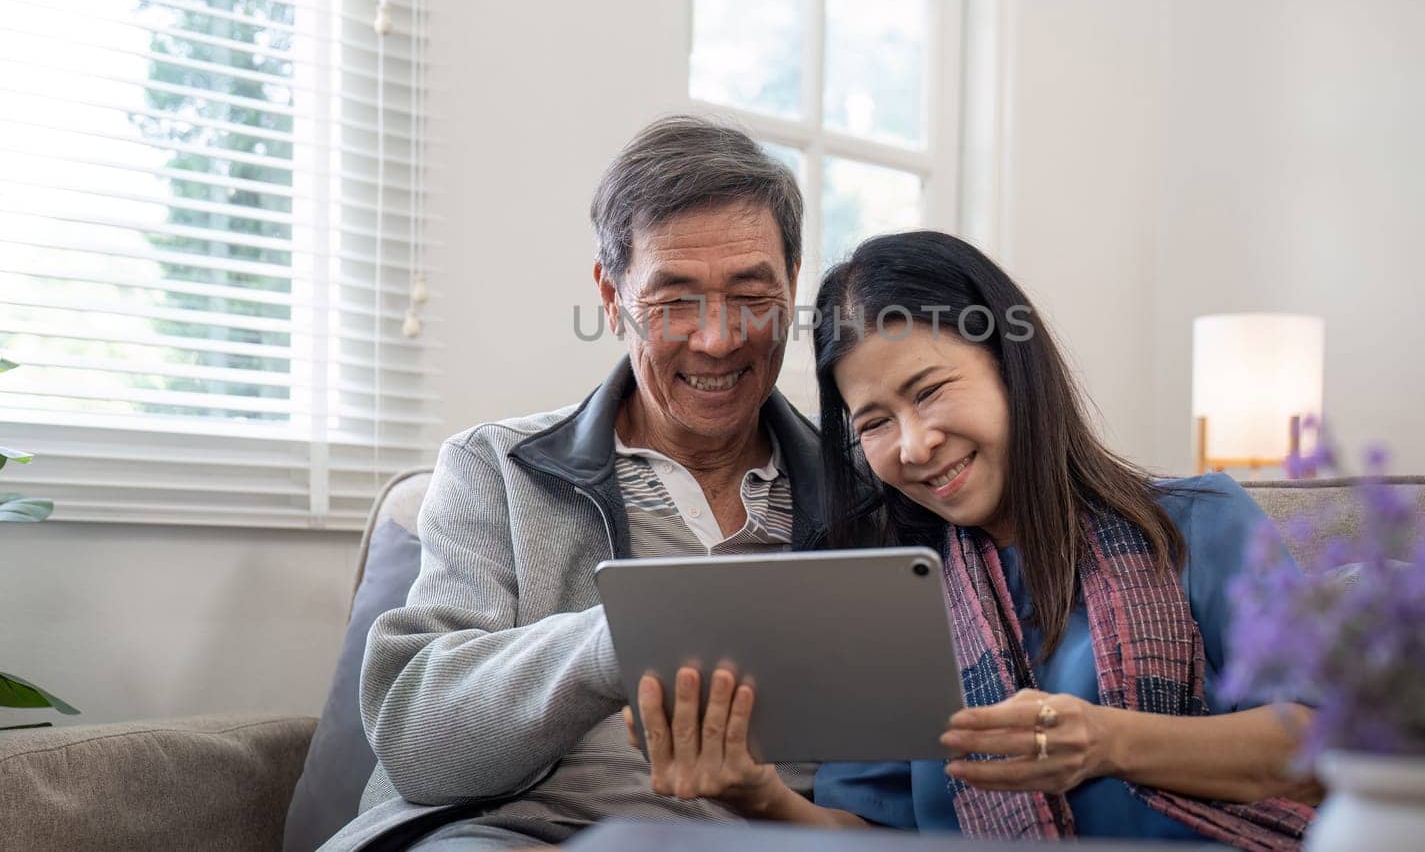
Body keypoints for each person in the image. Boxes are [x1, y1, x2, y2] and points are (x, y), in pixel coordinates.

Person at [628, 230, 1319, 847]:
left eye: (928, 391)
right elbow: (866, 833)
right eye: (874, 423)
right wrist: (758, 796)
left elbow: (1329, 748)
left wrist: (1109, 741)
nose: (915, 444)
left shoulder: (1201, 523)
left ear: (1009, 365)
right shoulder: (888, 599)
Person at [322, 116, 824, 851]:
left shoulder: (868, 489)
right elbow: (419, 736)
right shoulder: (497, 467)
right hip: (517, 834)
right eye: (675, 299)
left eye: (751, 292)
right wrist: (622, 635)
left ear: (792, 283)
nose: (718, 338)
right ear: (612, 294)